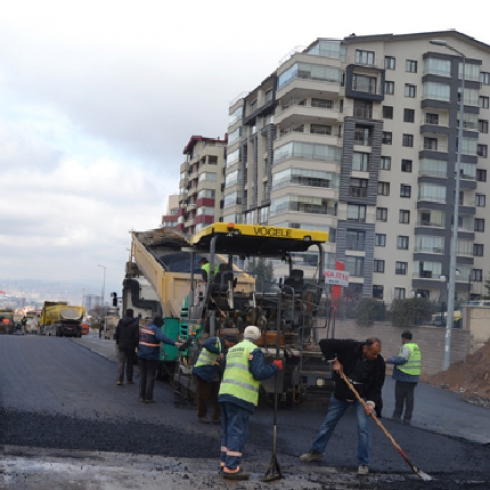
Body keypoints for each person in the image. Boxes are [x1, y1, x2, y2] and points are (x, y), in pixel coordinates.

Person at [299, 337, 385, 476]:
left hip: (361, 396)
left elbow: (377, 386)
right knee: (329, 423)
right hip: (342, 393)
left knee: (363, 429)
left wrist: (370, 403)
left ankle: (363, 463)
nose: (376, 357)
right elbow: (324, 343)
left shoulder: (379, 363)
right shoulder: (350, 346)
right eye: (373, 353)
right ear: (365, 348)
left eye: (377, 353)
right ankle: (316, 452)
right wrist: (335, 361)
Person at [218, 325, 283, 481]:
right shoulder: (253, 350)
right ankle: (232, 468)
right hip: (241, 396)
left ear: (243, 335)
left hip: (225, 393)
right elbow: (258, 373)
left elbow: (222, 369)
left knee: (228, 430)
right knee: (237, 431)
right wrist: (275, 367)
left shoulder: (232, 350)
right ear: (259, 337)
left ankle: (225, 463)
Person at [193, 333, 238, 424]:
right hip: (204, 372)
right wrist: (219, 351)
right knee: (203, 396)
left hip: (215, 374)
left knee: (218, 396)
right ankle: (202, 416)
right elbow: (206, 345)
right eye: (231, 344)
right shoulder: (215, 340)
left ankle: (217, 417)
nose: (231, 347)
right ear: (227, 341)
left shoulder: (226, 350)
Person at [138, 316, 181, 403]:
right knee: (150, 376)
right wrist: (175, 342)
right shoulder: (156, 329)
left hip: (141, 355)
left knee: (143, 376)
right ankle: (148, 397)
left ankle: (141, 396)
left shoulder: (145, 328)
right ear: (159, 324)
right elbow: (162, 338)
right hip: (151, 356)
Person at [385, 330, 421, 426]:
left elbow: (402, 360)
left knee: (399, 397)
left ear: (404, 338)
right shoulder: (415, 347)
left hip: (404, 376)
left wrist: (387, 359)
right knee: (410, 399)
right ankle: (407, 418)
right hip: (414, 377)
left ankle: (396, 416)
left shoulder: (406, 347)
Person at [114, 309, 140, 385]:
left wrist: (118, 343)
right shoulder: (135, 323)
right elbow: (136, 336)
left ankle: (119, 380)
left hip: (122, 345)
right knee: (130, 363)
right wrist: (137, 346)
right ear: (132, 314)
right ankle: (129, 379)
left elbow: (117, 333)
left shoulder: (120, 322)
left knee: (121, 362)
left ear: (125, 313)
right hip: (131, 346)